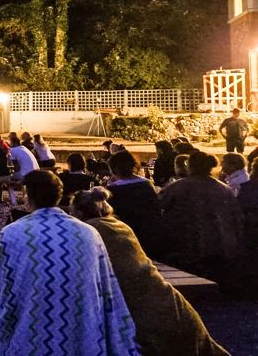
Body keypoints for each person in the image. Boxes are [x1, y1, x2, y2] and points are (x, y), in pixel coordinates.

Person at [0, 170, 137, 355]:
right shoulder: (88, 232)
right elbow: (106, 287)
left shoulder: (14, 232)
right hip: (84, 327)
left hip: (31, 328)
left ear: (27, 195)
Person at [71, 187, 230, 356]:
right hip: (171, 306)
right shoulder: (120, 227)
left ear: (80, 214)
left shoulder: (89, 233)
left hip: (142, 321)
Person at [160, 151, 243, 282]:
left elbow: (161, 206)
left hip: (186, 243)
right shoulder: (224, 189)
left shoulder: (177, 187)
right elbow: (236, 217)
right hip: (219, 243)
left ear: (190, 166)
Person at [106, 150, 164, 258]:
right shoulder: (147, 184)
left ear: (113, 169)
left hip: (124, 237)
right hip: (149, 234)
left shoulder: (112, 190)